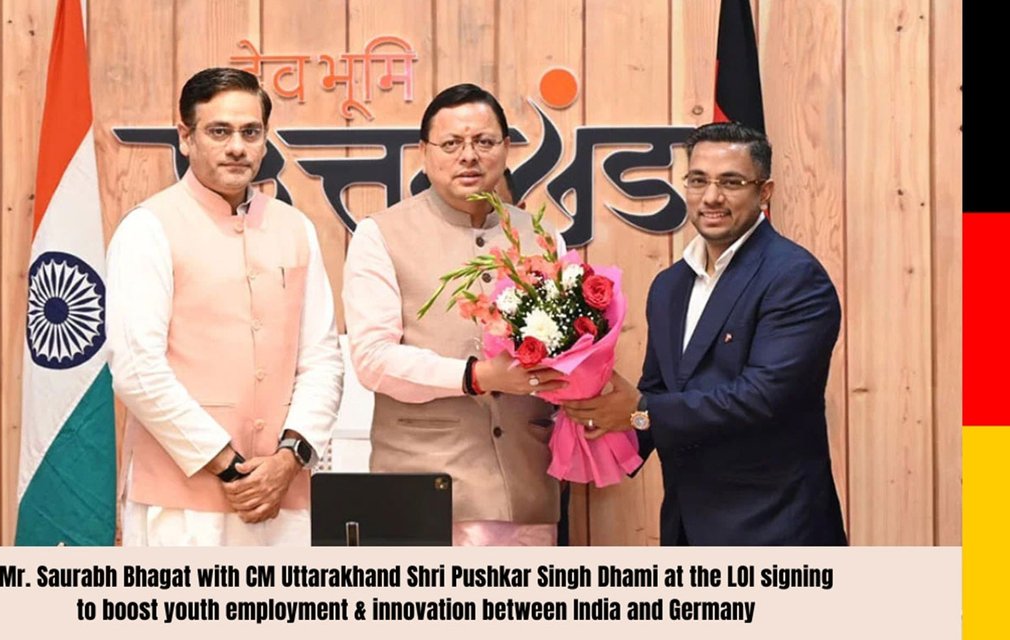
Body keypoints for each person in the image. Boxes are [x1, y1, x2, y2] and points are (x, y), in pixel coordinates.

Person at [562, 121, 847, 546]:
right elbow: (657, 391)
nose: (711, 197)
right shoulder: (669, 286)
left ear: (764, 192)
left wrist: (640, 411)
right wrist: (584, 412)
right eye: (698, 180)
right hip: (687, 526)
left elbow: (762, 398)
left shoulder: (794, 277)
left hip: (774, 527)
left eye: (731, 182)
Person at [106, 67, 342, 546]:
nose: (237, 147)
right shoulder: (148, 228)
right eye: (219, 132)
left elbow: (322, 360)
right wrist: (229, 467)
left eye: (250, 132)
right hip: (180, 502)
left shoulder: (296, 228)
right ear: (185, 137)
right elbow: (137, 370)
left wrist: (288, 459)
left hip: (283, 494)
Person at [344, 83, 567, 546]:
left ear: (506, 148)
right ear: (424, 153)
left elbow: (570, 351)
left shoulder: (544, 238)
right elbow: (372, 359)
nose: (469, 156)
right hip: (419, 489)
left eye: (484, 141)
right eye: (451, 144)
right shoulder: (380, 234)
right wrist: (476, 376)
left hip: (525, 487)